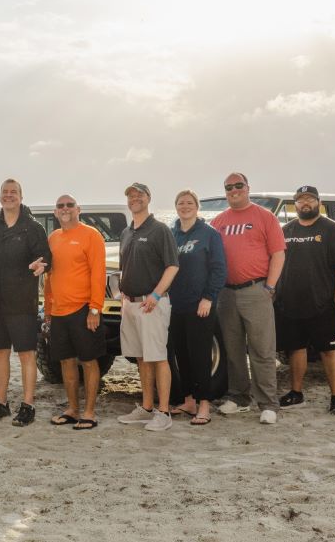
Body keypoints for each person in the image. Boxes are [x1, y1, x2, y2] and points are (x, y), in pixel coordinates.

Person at [275, 186, 335, 416]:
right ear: (295, 205)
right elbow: (276, 262)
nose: (305, 203)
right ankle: (296, 393)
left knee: (328, 351)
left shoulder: (333, 230)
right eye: (301, 200)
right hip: (290, 303)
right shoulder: (286, 230)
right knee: (296, 349)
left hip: (323, 304)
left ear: (318, 203)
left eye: (309, 199)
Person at [211, 172, 286, 424]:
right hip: (226, 293)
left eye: (238, 185)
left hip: (256, 290)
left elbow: (278, 254)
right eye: (229, 187)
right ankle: (239, 398)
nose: (234, 190)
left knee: (262, 350)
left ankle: (268, 404)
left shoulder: (265, 217)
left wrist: (270, 287)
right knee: (232, 349)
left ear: (248, 187)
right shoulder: (219, 221)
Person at [0, 179, 51, 427]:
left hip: (22, 303)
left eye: (13, 192)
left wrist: (40, 265)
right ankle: (1, 403)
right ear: (0, 197)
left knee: (26, 355)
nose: (8, 196)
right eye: (5, 192)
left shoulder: (32, 228)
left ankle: (28, 405)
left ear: (21, 196)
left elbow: (45, 257)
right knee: (0, 354)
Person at [115, 183, 179, 432]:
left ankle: (164, 412)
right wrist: (123, 297)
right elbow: (124, 267)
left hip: (152, 304)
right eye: (130, 195)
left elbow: (172, 266)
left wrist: (156, 294)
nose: (134, 198)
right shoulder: (126, 232)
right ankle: (147, 407)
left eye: (139, 195)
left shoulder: (159, 230)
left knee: (158, 358)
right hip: (130, 304)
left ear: (148, 198)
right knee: (141, 358)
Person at [43, 194, 107, 430]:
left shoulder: (91, 235)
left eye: (70, 205)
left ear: (78, 209)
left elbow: (98, 274)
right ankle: (72, 409)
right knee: (66, 362)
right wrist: (48, 310)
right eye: (60, 206)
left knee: (89, 361)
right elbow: (49, 277)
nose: (65, 209)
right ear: (55, 212)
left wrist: (95, 309)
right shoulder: (53, 238)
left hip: (83, 309)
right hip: (58, 312)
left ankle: (89, 412)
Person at [166, 189, 227, 426]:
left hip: (200, 305)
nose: (185, 206)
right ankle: (189, 399)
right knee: (182, 354)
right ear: (176, 206)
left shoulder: (209, 233)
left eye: (189, 202)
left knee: (200, 355)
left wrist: (209, 298)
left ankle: (204, 405)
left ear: (197, 206)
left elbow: (219, 268)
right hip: (175, 304)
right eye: (180, 202)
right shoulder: (172, 234)